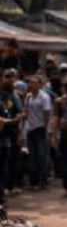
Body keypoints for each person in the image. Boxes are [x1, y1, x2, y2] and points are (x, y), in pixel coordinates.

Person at [0, 69, 24, 198]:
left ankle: (10, 186)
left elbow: (20, 114)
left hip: (12, 132)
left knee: (13, 160)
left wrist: (18, 127)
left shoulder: (15, 96)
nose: (9, 79)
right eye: (7, 76)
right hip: (2, 132)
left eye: (12, 77)